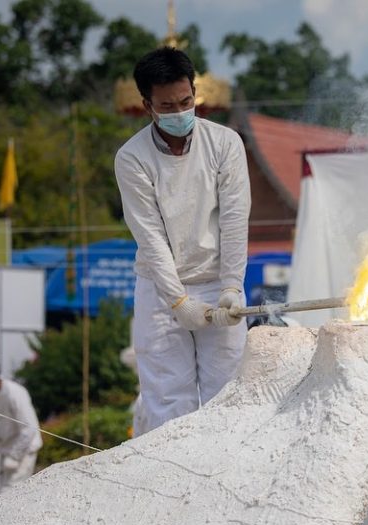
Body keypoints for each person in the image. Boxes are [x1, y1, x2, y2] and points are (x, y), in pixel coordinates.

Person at [115, 47, 251, 435]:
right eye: (167, 106)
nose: (179, 112)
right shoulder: (132, 158)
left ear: (195, 93)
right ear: (147, 105)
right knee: (168, 404)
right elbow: (151, 236)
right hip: (161, 289)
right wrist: (177, 300)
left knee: (228, 397)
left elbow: (235, 220)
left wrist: (230, 287)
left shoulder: (226, 144)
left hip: (216, 282)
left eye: (185, 101)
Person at [0, 359, 43, 493]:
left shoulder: (14, 393)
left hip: (24, 451)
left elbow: (30, 428)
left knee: (9, 493)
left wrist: (14, 456)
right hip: (5, 451)